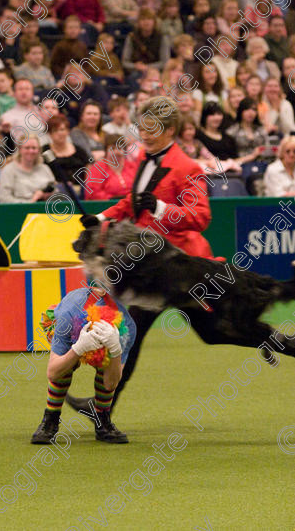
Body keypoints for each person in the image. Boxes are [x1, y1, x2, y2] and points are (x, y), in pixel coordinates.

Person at [66, 96, 224, 412]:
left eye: (151, 129)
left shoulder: (189, 167)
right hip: (153, 268)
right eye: (142, 127)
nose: (144, 134)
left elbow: (201, 217)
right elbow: (130, 202)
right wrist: (98, 219)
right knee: (134, 334)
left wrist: (162, 208)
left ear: (170, 130)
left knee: (214, 331)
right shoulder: (144, 158)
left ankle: (277, 341)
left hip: (180, 268)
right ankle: (101, 407)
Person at [30, 284, 136, 444]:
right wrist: (78, 349)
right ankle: (50, 419)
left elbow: (110, 383)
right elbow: (52, 372)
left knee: (106, 365)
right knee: (65, 366)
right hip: (70, 325)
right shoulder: (67, 317)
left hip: (110, 340)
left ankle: (103, 422)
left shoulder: (127, 328)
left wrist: (114, 349)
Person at [0, 136, 55, 203]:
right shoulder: (9, 170)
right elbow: (4, 199)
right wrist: (32, 201)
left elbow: (55, 190)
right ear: (20, 149)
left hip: (44, 209)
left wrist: (48, 194)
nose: (31, 151)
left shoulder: (45, 169)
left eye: (34, 148)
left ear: (39, 150)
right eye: (27, 148)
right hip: (19, 210)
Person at [84, 134, 138, 200]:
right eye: (112, 148)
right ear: (106, 151)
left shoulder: (132, 166)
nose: (116, 152)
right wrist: (112, 199)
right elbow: (92, 193)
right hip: (107, 205)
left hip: (131, 204)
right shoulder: (98, 168)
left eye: (119, 148)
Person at [43, 114, 90, 186]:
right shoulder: (45, 152)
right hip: (56, 192)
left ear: (68, 131)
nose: (59, 133)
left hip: (81, 191)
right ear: (50, 134)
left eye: (62, 129)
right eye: (55, 130)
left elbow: (89, 174)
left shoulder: (80, 151)